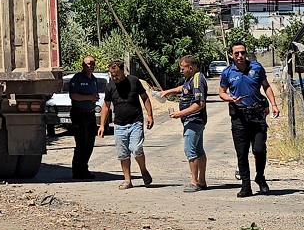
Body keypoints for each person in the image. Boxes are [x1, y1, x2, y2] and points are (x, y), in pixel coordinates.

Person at [219, 42, 280, 198]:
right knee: (242, 153)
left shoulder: (256, 68)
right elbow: (222, 92)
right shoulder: (227, 72)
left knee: (259, 149)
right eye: (237, 53)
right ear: (231, 55)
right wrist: (231, 99)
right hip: (239, 117)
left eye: (243, 53)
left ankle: (260, 177)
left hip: (257, 115)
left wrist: (273, 104)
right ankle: (246, 186)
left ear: (246, 54)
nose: (240, 56)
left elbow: (266, 86)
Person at [97, 60, 154, 190]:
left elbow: (145, 98)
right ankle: (128, 180)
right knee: (123, 154)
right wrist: (101, 125)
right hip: (119, 126)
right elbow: (105, 106)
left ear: (123, 71)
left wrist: (150, 115)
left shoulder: (134, 81)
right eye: (112, 75)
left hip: (135, 122)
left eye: (116, 74)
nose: (114, 77)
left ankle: (143, 170)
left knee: (136, 148)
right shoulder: (110, 86)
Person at [162, 55, 208, 192]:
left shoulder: (198, 80)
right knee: (199, 150)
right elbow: (184, 89)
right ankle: (202, 181)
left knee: (190, 150)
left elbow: (199, 104)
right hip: (192, 120)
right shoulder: (191, 79)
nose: (180, 71)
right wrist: (167, 92)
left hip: (194, 120)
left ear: (191, 67)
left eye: (182, 68)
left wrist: (179, 114)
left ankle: (194, 182)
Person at [67, 56, 101, 179]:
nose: (90, 66)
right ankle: (77, 171)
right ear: (83, 65)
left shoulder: (94, 79)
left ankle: (84, 169)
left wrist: (94, 98)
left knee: (90, 143)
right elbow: (73, 96)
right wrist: (89, 97)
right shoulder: (77, 78)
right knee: (81, 143)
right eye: (88, 64)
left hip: (90, 114)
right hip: (79, 114)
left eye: (92, 63)